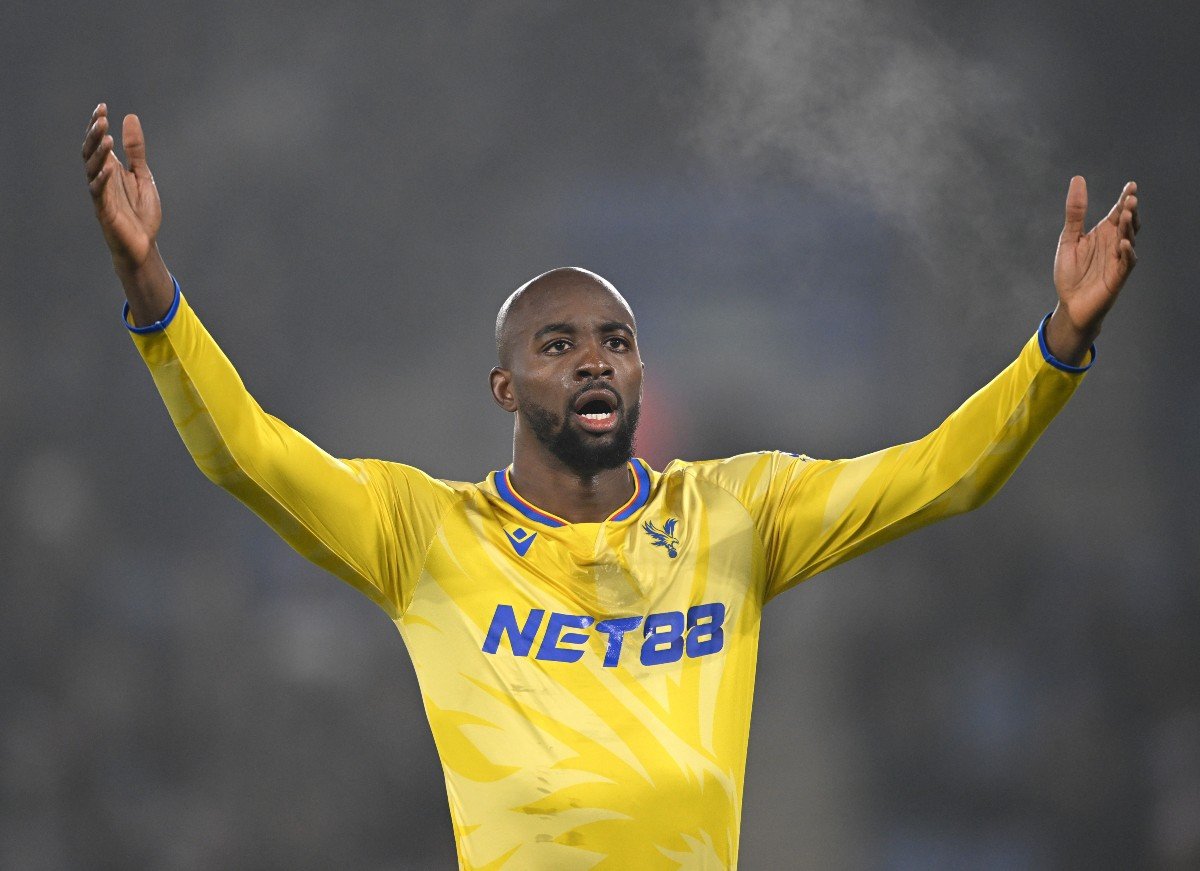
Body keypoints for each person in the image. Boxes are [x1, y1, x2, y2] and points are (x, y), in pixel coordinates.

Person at [82, 101, 1139, 870]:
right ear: (503, 383)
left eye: (617, 342)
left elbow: (944, 474)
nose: (595, 359)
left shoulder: (736, 513)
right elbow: (247, 452)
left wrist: (1056, 347)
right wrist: (152, 292)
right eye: (558, 343)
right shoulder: (425, 533)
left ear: (640, 372)